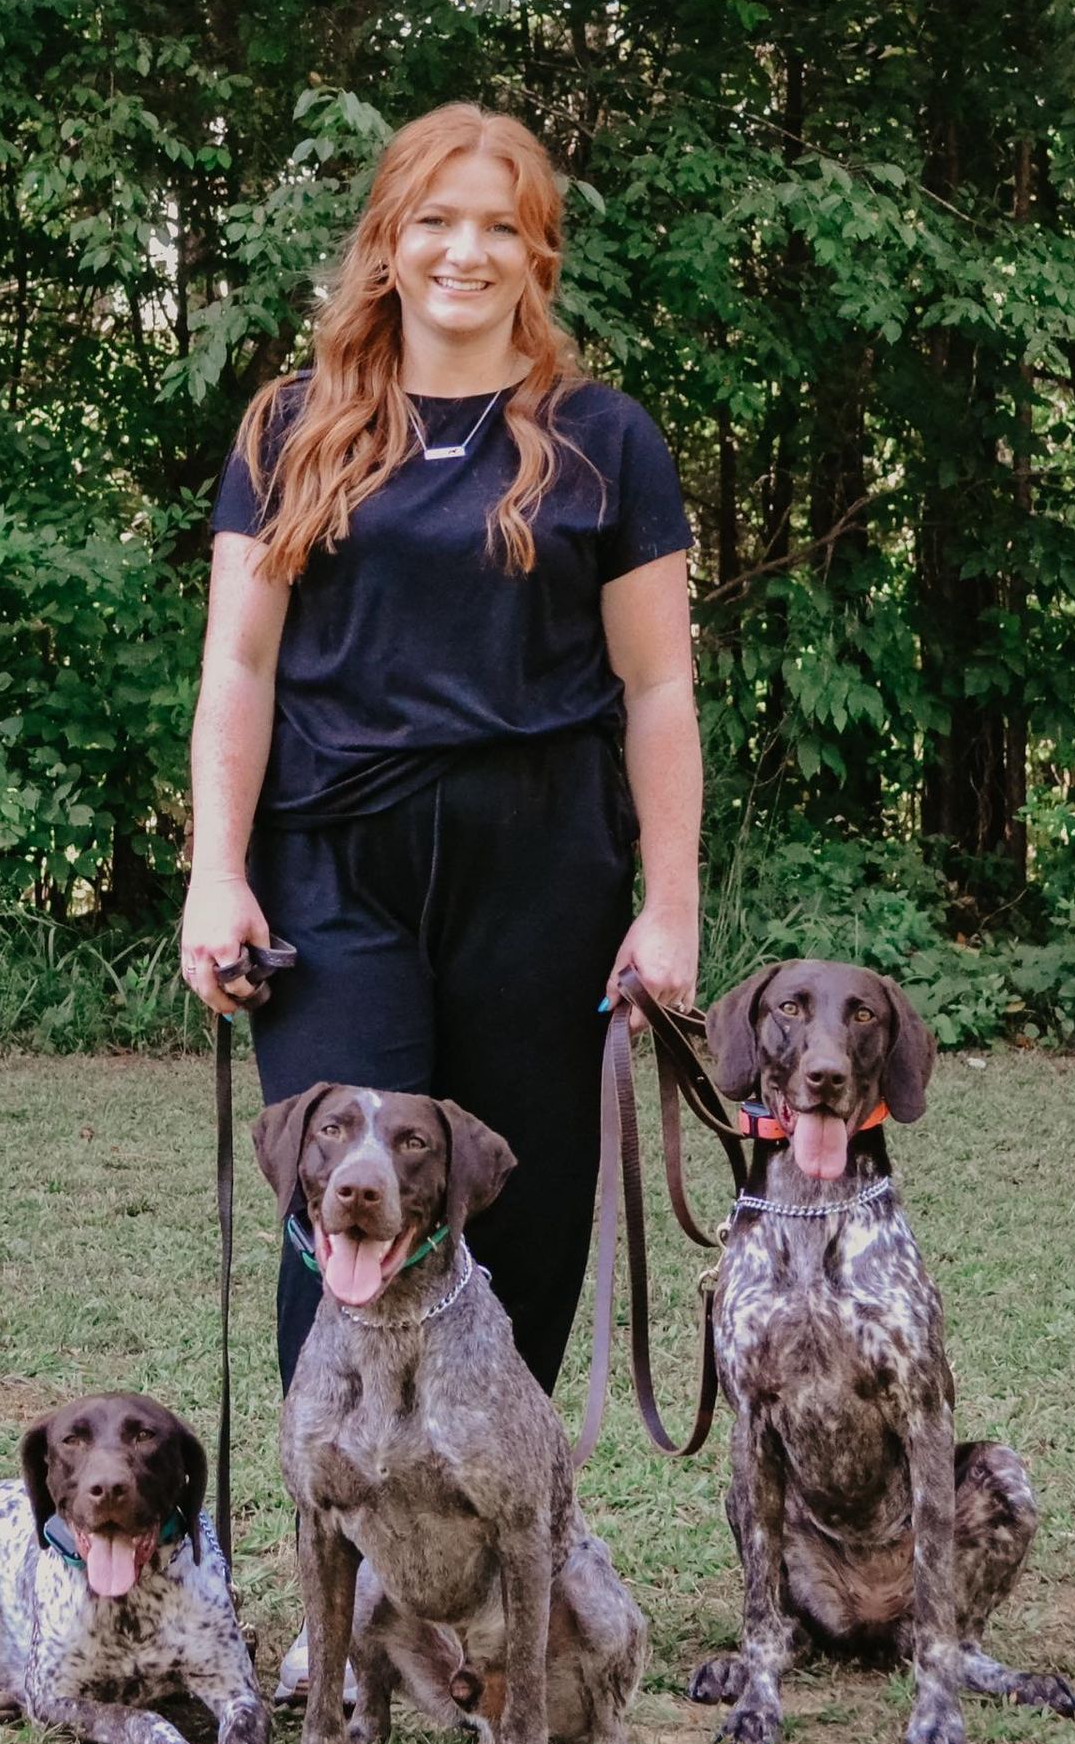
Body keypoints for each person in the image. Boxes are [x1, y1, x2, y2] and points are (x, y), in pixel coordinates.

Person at [180, 97, 700, 1410]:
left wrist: (673, 907)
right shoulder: (290, 428)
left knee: (512, 1212)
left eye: (499, 229)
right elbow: (236, 667)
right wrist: (215, 873)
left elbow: (658, 685)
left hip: (540, 871)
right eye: (436, 222)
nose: (465, 253)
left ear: (538, 256)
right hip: (330, 874)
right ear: (388, 241)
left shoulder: (608, 440)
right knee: (345, 1195)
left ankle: (485, 1570)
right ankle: (338, 1584)